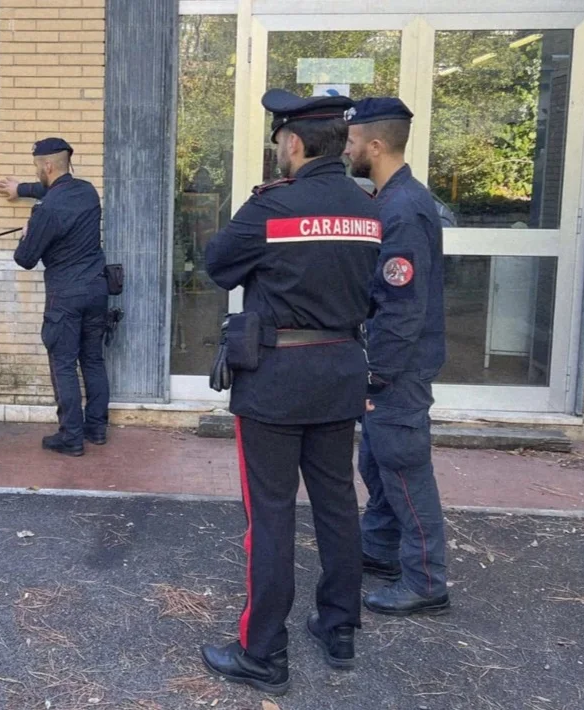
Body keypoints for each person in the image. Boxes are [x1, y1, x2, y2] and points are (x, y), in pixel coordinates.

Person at [200, 89, 384, 695]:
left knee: (271, 515)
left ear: (296, 143)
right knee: (337, 505)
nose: (279, 148)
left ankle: (262, 653)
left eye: (280, 139)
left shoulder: (272, 205)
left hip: (277, 379)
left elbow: (218, 264)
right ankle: (339, 629)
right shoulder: (367, 208)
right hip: (341, 371)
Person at [343, 98, 450, 616]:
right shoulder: (393, 199)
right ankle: (381, 548)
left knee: (405, 468)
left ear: (376, 145)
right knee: (378, 459)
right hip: (394, 363)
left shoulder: (402, 209)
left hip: (399, 367)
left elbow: (402, 305)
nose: (346, 150)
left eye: (351, 142)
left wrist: (378, 374)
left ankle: (426, 581)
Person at [0, 138, 110, 457]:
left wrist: (27, 233)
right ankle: (96, 429)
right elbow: (52, 189)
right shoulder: (87, 191)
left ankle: (71, 437)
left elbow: (25, 259)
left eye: (38, 167)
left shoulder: (46, 210)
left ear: (47, 165)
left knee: (63, 364)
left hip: (66, 296)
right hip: (97, 289)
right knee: (93, 360)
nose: (37, 172)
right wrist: (22, 189)